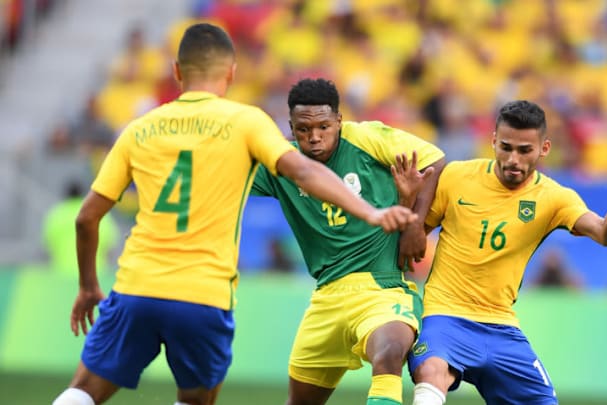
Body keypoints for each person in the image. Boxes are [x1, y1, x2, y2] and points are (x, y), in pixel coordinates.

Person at [52, 23, 417, 405]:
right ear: (231, 72)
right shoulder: (246, 122)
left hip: (135, 286)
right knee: (195, 398)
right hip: (203, 294)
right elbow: (304, 170)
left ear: (177, 70)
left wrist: (88, 286)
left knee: (84, 390)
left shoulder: (139, 130)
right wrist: (371, 213)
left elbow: (85, 218)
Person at [396, 100, 607, 405]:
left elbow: (606, 235)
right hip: (445, 317)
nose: (513, 159)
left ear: (544, 148)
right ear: (493, 141)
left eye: (525, 150)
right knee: (432, 372)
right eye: (506, 147)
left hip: (502, 328)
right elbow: (410, 240)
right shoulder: (456, 177)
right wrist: (406, 206)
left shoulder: (553, 197)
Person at [250, 78, 446, 405]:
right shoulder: (283, 163)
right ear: (291, 127)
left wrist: (415, 225)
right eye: (303, 129)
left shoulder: (367, 138)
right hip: (326, 295)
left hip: (382, 288)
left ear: (339, 120)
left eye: (324, 126)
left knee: (389, 353)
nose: (314, 137)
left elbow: (435, 161)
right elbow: (227, 182)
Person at [43, 180, 119, 277]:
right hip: (94, 275)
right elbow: (110, 248)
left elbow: (47, 248)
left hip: (61, 274)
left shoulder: (56, 215)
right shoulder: (97, 214)